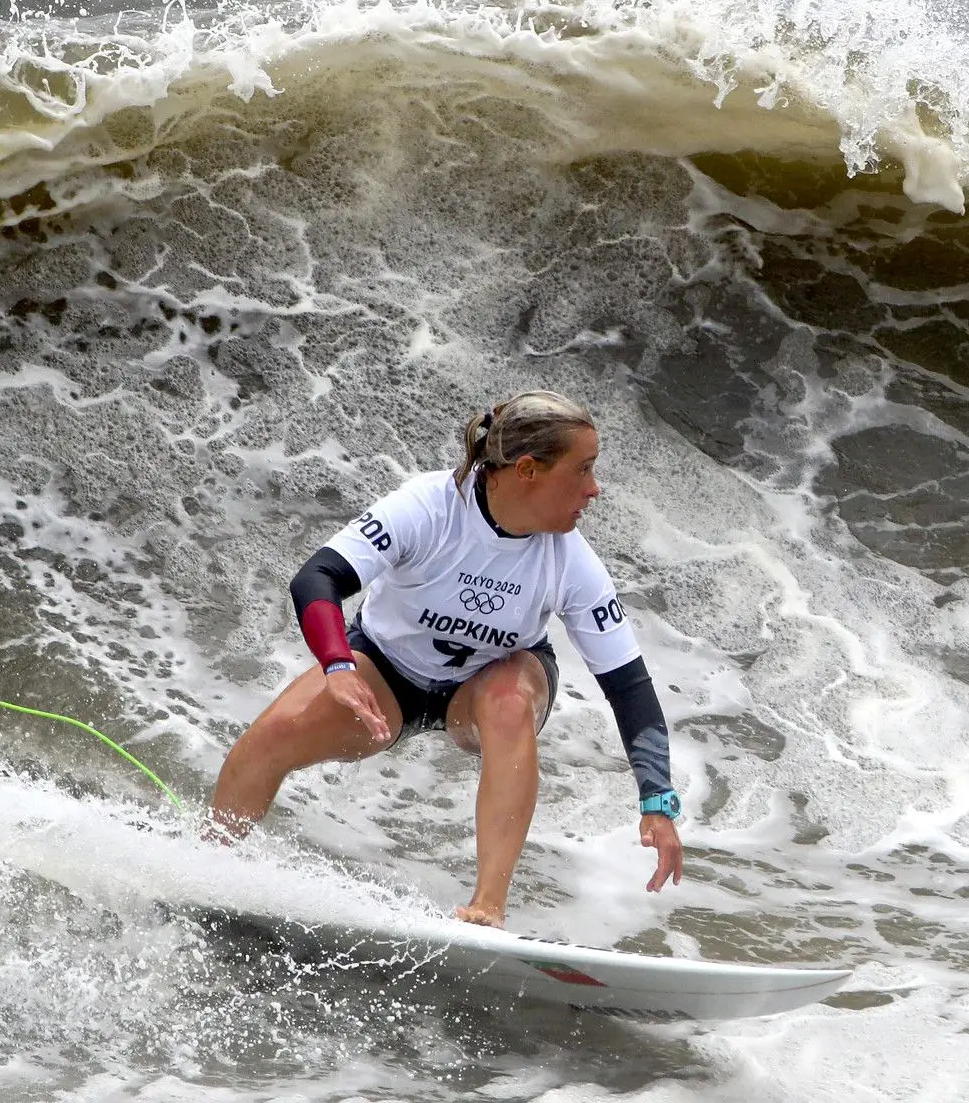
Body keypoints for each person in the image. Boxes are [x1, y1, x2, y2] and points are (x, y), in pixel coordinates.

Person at [210, 390, 683, 926]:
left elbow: (629, 687)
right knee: (275, 735)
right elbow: (316, 578)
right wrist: (338, 667)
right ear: (527, 469)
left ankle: (487, 909)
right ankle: (206, 863)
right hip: (385, 669)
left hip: (486, 685)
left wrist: (657, 801)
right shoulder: (430, 507)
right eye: (583, 470)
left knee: (509, 700)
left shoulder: (572, 562)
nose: (594, 490)